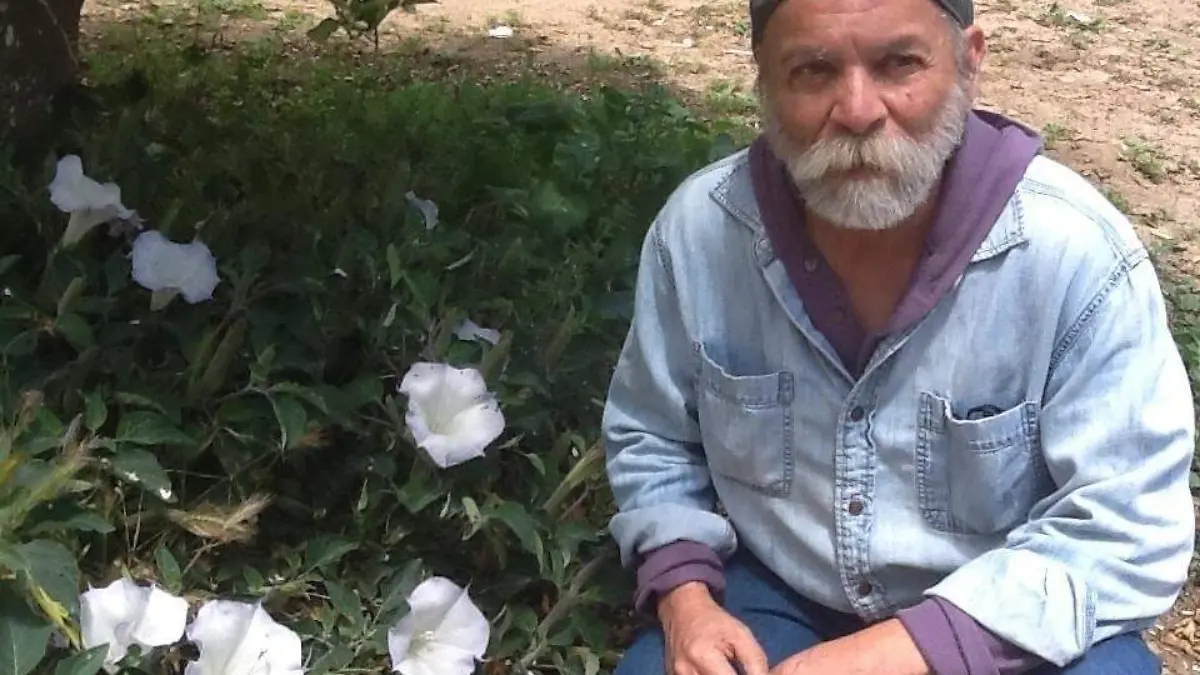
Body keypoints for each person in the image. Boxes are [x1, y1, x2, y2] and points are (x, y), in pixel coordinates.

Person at [600, 0, 1197, 673]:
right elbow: (653, 436)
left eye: (899, 64)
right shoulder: (701, 232)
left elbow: (1125, 528)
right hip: (780, 594)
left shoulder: (1075, 254)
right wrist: (686, 599)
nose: (857, 111)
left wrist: (903, 648)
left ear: (969, 62)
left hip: (1007, 610)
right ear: (763, 78)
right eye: (813, 70)